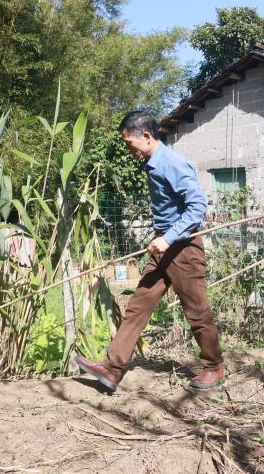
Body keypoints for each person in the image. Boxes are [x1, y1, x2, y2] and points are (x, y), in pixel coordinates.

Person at [76, 110, 225, 392]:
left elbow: (197, 207)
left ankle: (214, 367)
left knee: (196, 310)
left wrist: (167, 238)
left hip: (183, 248)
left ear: (146, 136)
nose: (128, 149)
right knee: (138, 305)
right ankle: (112, 368)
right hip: (164, 247)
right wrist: (163, 239)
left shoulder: (172, 163)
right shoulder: (153, 164)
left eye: (128, 143)